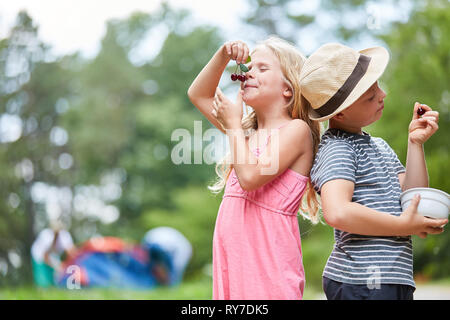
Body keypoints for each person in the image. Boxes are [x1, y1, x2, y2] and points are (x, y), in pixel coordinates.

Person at [299, 42, 448, 300]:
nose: (382, 95)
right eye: (370, 95)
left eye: (377, 85)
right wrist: (403, 225)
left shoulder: (378, 146)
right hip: (363, 280)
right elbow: (338, 211)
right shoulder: (338, 149)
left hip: (391, 276)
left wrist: (415, 143)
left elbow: (412, 197)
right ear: (341, 112)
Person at [187, 36, 321, 299]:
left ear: (288, 89)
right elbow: (198, 94)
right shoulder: (247, 135)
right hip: (234, 268)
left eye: (262, 68)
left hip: (269, 271)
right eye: (249, 67)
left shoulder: (296, 130)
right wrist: (223, 54)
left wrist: (234, 126)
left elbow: (250, 177)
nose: (249, 73)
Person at [31, 220, 75, 287]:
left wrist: (66, 265)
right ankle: (43, 287)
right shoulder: (46, 235)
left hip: (54, 256)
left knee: (56, 276)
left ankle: (54, 285)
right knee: (43, 279)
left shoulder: (65, 236)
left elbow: (71, 252)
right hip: (39, 256)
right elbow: (45, 256)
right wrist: (55, 266)